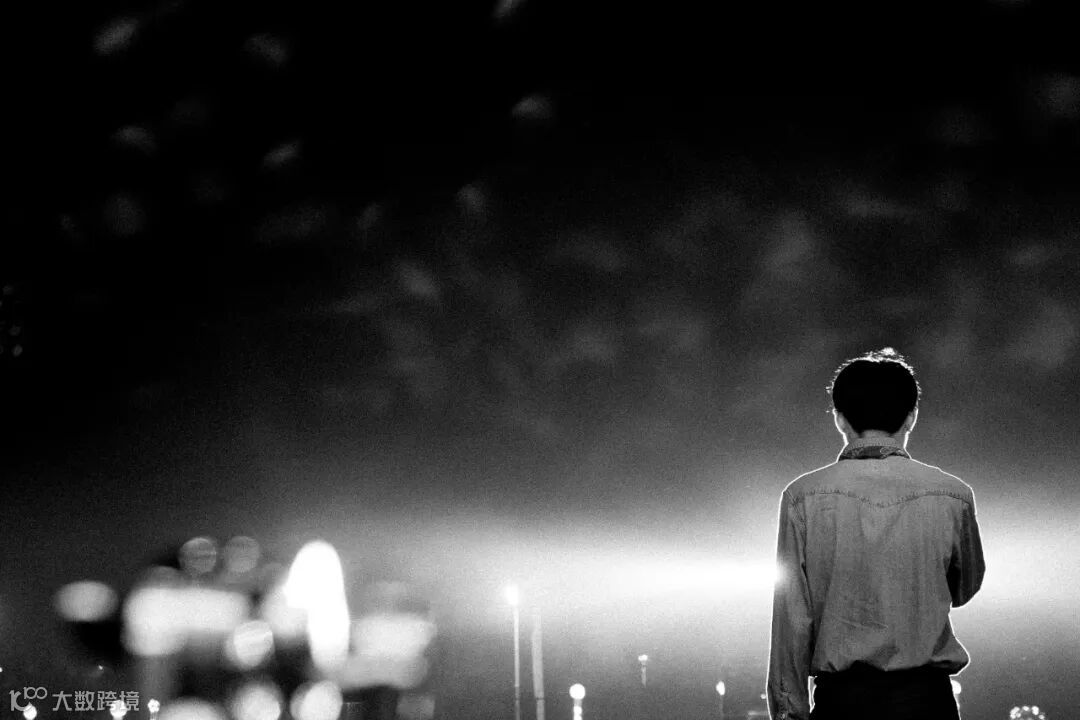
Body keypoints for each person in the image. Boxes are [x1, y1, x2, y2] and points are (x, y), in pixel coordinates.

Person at [766, 348, 985, 720]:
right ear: (911, 417)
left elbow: (792, 621)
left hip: (842, 703)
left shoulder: (801, 497)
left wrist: (790, 712)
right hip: (927, 702)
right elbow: (964, 588)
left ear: (840, 419)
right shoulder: (953, 494)